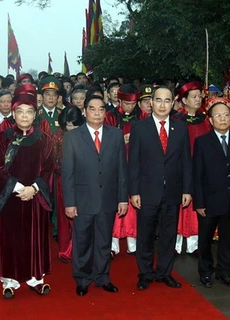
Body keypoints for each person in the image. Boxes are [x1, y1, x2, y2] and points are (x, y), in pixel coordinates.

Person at [62, 94, 128, 297]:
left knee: (103, 241)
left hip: (108, 199)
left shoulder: (115, 134)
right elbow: (68, 172)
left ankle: (102, 277)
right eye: (92, 109)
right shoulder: (72, 137)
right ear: (85, 111)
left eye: (101, 109)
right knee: (82, 241)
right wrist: (70, 202)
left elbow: (121, 169)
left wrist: (122, 198)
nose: (97, 113)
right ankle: (82, 279)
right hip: (82, 200)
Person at [129, 86, 192, 290]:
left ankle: (165, 272)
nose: (163, 104)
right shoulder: (139, 128)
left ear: (173, 103)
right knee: (145, 235)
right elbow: (134, 163)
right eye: (158, 100)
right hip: (147, 191)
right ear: (151, 103)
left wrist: (186, 190)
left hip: (173, 192)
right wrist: (134, 191)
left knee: (168, 235)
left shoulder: (181, 127)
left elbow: (185, 161)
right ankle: (145, 273)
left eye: (167, 100)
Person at [0, 93, 54, 299]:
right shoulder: (3, 138)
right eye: (20, 112)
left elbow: (48, 168)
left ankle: (36, 278)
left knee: (35, 237)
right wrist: (18, 187)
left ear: (35, 114)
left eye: (29, 112)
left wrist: (34, 188)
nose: (24, 116)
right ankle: (9, 280)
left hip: (35, 197)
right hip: (11, 197)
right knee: (11, 238)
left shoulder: (44, 139)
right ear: (13, 113)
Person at [193, 99, 230, 288]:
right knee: (205, 240)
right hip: (209, 201)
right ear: (210, 120)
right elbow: (197, 174)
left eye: (226, 115)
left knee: (228, 239)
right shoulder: (202, 142)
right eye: (218, 115)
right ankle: (206, 272)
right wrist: (199, 202)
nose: (223, 119)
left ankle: (224, 271)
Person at [105, 84, 148, 258]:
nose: (130, 107)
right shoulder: (110, 117)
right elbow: (105, 140)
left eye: (133, 104)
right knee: (116, 204)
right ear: (120, 100)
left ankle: (133, 243)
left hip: (137, 164)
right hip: (116, 166)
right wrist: (120, 139)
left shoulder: (142, 115)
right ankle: (113, 245)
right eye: (126, 104)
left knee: (134, 204)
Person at [173, 81, 211, 254]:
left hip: (201, 169)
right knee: (179, 205)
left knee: (198, 203)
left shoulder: (205, 120)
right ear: (184, 100)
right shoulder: (176, 120)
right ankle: (176, 242)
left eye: (199, 96)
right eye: (194, 97)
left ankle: (194, 243)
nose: (198, 100)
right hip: (180, 168)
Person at [51, 106, 85, 262]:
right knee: (65, 217)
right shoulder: (58, 136)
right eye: (67, 126)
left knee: (83, 217)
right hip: (63, 181)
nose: (70, 129)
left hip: (84, 182)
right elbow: (53, 162)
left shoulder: (86, 134)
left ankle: (82, 249)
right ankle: (66, 250)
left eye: (73, 125)